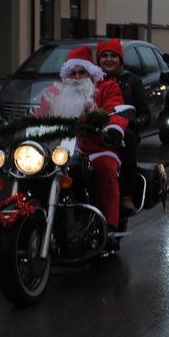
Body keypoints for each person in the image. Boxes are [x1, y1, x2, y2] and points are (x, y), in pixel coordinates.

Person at [36, 45, 128, 235]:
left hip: (95, 146)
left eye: (82, 72)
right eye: (72, 73)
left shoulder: (106, 88)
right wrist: (23, 131)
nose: (77, 77)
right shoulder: (54, 94)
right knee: (31, 170)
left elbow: (115, 109)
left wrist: (112, 127)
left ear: (91, 73)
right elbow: (40, 116)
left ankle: (107, 225)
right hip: (57, 149)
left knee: (105, 167)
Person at [96, 38, 150, 215]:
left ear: (120, 59)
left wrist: (132, 123)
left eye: (113, 55)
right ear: (98, 60)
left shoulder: (132, 81)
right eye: (104, 56)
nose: (109, 59)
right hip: (94, 132)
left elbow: (145, 115)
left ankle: (126, 197)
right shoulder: (91, 79)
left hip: (121, 133)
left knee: (128, 137)